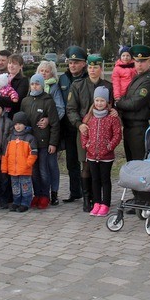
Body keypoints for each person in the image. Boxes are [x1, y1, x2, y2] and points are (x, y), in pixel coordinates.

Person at [67, 54, 115, 212]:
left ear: (101, 68)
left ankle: (100, 199)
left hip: (103, 133)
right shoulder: (78, 85)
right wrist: (79, 124)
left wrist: (115, 111)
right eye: (90, 67)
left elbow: (113, 106)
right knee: (86, 165)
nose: (92, 70)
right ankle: (87, 199)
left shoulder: (108, 86)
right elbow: (71, 109)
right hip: (85, 131)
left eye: (95, 67)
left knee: (101, 168)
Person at [20, 74, 60, 210]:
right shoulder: (25, 101)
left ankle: (45, 195)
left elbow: (55, 124)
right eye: (32, 84)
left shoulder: (48, 101)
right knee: (34, 171)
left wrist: (53, 143)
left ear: (42, 85)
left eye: (37, 84)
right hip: (30, 143)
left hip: (43, 143)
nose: (34, 86)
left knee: (44, 170)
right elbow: (22, 120)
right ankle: (36, 194)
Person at [81, 86, 121, 217]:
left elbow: (117, 134)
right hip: (92, 154)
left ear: (107, 102)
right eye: (97, 100)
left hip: (106, 156)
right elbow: (84, 132)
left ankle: (105, 204)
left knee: (105, 179)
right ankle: (96, 202)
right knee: (95, 180)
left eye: (102, 101)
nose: (99, 103)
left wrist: (109, 146)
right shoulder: (89, 117)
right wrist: (86, 144)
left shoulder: (112, 117)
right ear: (94, 101)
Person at [115, 45, 150, 162]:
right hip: (130, 127)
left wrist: (118, 103)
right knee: (131, 163)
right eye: (137, 61)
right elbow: (127, 97)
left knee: (138, 165)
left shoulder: (148, 80)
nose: (139, 64)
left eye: (143, 61)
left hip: (138, 128)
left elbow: (134, 104)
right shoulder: (138, 77)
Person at [59, 46, 88, 203]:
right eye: (71, 62)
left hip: (84, 124)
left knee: (86, 160)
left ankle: (88, 192)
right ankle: (74, 191)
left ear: (84, 63)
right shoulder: (63, 78)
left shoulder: (87, 78)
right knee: (71, 161)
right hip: (68, 125)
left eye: (76, 62)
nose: (73, 65)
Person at [2, 112, 38, 212]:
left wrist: (28, 164)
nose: (18, 126)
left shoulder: (30, 138)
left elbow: (34, 153)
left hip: (25, 169)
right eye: (16, 124)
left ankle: (25, 203)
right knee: (15, 187)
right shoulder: (10, 138)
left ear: (25, 125)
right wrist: (4, 168)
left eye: (20, 124)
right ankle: (16, 202)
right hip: (12, 169)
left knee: (25, 186)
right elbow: (5, 154)